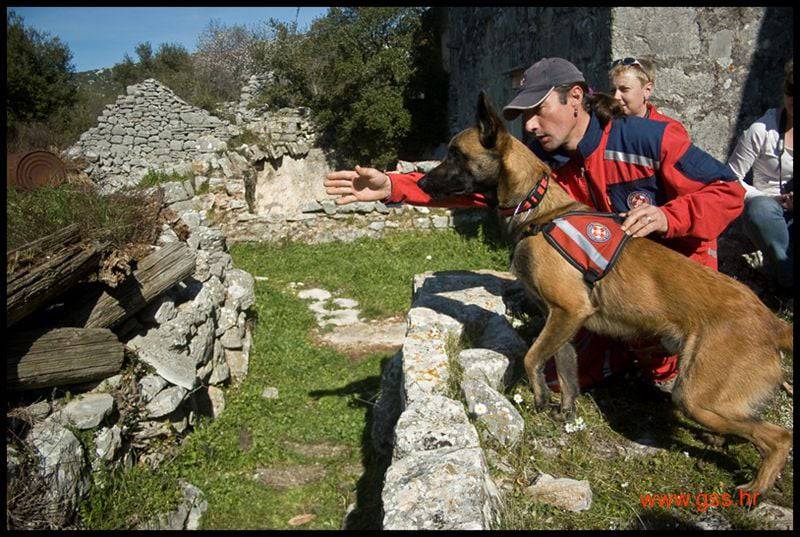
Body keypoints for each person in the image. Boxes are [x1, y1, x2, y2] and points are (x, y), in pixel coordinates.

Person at [325, 57, 745, 392]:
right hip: (603, 286)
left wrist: (666, 216)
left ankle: (671, 354)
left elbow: (728, 192)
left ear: (575, 98)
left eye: (539, 110)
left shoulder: (651, 138)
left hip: (677, 279)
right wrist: (392, 187)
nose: (529, 125)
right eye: (524, 115)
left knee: (680, 389)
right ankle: (624, 351)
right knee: (556, 381)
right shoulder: (544, 163)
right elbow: (480, 189)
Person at [726, 59, 793, 290]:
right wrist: (772, 199)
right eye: (790, 90)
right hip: (769, 213)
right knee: (761, 209)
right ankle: (787, 282)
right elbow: (731, 177)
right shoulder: (761, 130)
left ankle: (776, 271)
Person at [608, 56, 682, 127]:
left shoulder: (666, 131)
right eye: (613, 91)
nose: (615, 97)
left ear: (647, 90)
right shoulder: (603, 127)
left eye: (624, 89)